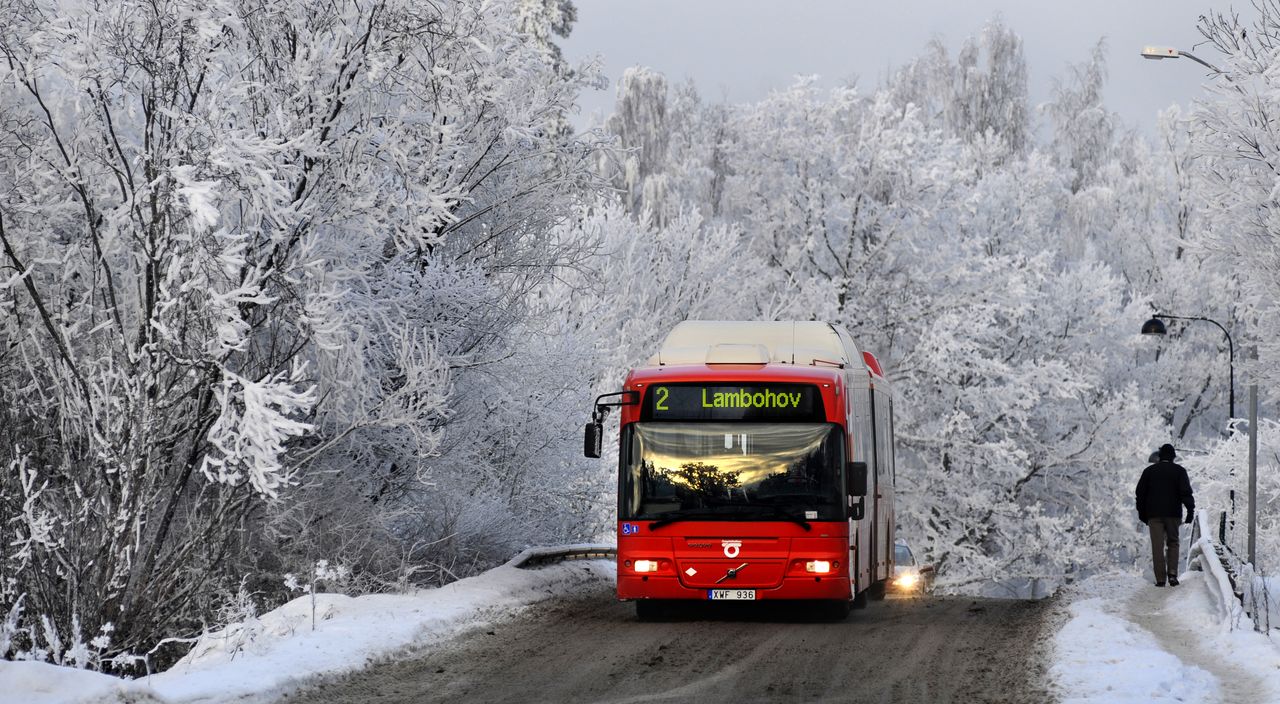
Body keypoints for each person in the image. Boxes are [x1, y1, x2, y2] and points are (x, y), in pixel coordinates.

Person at [1135, 444, 1195, 587]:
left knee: (1157, 546)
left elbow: (1140, 494)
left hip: (1154, 515)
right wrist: (1190, 511)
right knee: (1173, 543)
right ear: (1173, 457)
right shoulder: (1180, 471)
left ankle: (1161, 579)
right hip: (1173, 514)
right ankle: (1173, 574)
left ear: (1159, 456)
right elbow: (1186, 493)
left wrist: (1142, 514)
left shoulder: (1149, 471)